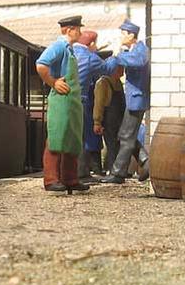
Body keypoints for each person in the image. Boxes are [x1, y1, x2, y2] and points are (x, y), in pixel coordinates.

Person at [36, 15, 90, 193]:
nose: (80, 33)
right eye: (78, 29)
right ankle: (51, 179)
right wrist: (53, 82)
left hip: (72, 101)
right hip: (61, 100)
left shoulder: (70, 50)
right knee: (57, 137)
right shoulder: (59, 46)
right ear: (69, 30)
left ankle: (70, 178)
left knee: (72, 138)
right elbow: (41, 64)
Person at [101, 20, 151, 184]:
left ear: (131, 35)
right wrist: (113, 57)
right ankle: (145, 161)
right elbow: (111, 65)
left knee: (126, 136)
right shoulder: (131, 50)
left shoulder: (141, 50)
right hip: (133, 98)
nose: (121, 37)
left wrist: (118, 54)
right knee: (126, 134)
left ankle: (118, 173)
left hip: (137, 98)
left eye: (123, 34)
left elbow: (137, 62)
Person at [73, 30, 111, 179]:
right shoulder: (90, 57)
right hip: (82, 100)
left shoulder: (70, 51)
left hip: (65, 98)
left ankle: (69, 173)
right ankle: (82, 172)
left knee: (71, 136)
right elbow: (107, 68)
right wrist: (118, 56)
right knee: (83, 137)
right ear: (92, 43)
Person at [92, 63, 125, 175]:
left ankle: (118, 169)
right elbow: (99, 104)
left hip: (119, 117)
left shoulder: (118, 83)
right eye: (120, 68)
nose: (123, 70)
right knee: (111, 145)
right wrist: (97, 122)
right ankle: (112, 170)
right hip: (109, 119)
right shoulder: (103, 83)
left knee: (119, 145)